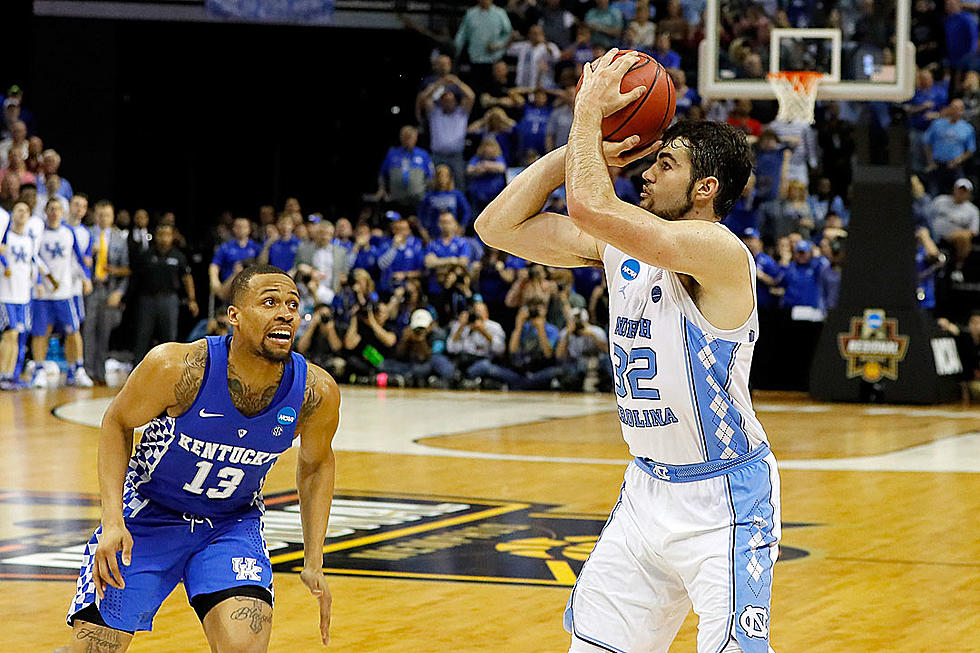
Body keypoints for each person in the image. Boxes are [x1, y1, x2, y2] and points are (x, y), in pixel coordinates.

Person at [475, 49, 779, 653]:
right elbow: (497, 228)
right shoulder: (623, 244)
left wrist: (588, 114)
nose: (646, 171)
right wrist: (577, 152)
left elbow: (591, 206)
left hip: (723, 499)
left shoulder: (718, 252)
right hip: (645, 491)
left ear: (704, 189)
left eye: (663, 164)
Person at [63, 265, 339, 651]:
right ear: (234, 317)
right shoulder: (175, 367)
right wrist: (112, 519)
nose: (286, 313)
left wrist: (314, 559)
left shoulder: (315, 392)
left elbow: (317, 464)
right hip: (149, 513)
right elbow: (116, 422)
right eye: (270, 302)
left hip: (230, 523)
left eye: (293, 304)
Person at [30, 199, 92, 388]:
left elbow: (79, 259)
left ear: (63, 212)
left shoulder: (68, 233)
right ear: (46, 211)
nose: (54, 212)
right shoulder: (39, 234)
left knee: (73, 331)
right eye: (51, 209)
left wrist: (86, 277)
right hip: (43, 295)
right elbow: (33, 258)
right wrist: (39, 282)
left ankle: (78, 369)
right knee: (41, 333)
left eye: (58, 209)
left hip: (64, 293)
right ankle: (39, 370)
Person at [131, 224, 199, 363]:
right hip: (147, 299)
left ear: (172, 237)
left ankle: (170, 372)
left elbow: (187, 278)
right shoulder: (146, 255)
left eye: (167, 235)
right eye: (160, 234)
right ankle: (136, 371)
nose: (163, 238)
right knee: (142, 337)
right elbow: (136, 278)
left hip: (169, 299)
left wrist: (192, 299)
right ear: (156, 236)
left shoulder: (178, 256)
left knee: (169, 338)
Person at [84, 200, 130, 386]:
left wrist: (119, 292)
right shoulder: (86, 234)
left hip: (109, 288)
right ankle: (87, 372)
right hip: (91, 287)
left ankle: (100, 372)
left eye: (107, 215)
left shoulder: (120, 239)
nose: (104, 218)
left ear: (112, 217)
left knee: (104, 332)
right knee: (88, 330)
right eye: (100, 215)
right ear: (95, 216)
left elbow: (126, 269)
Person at [0, 202, 35, 389]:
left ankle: (11, 375)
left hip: (23, 296)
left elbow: (33, 264)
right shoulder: (6, 239)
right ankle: (3, 374)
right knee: (10, 334)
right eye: (18, 210)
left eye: (25, 210)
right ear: (12, 214)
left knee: (18, 336)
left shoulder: (29, 241)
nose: (22, 214)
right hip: (6, 295)